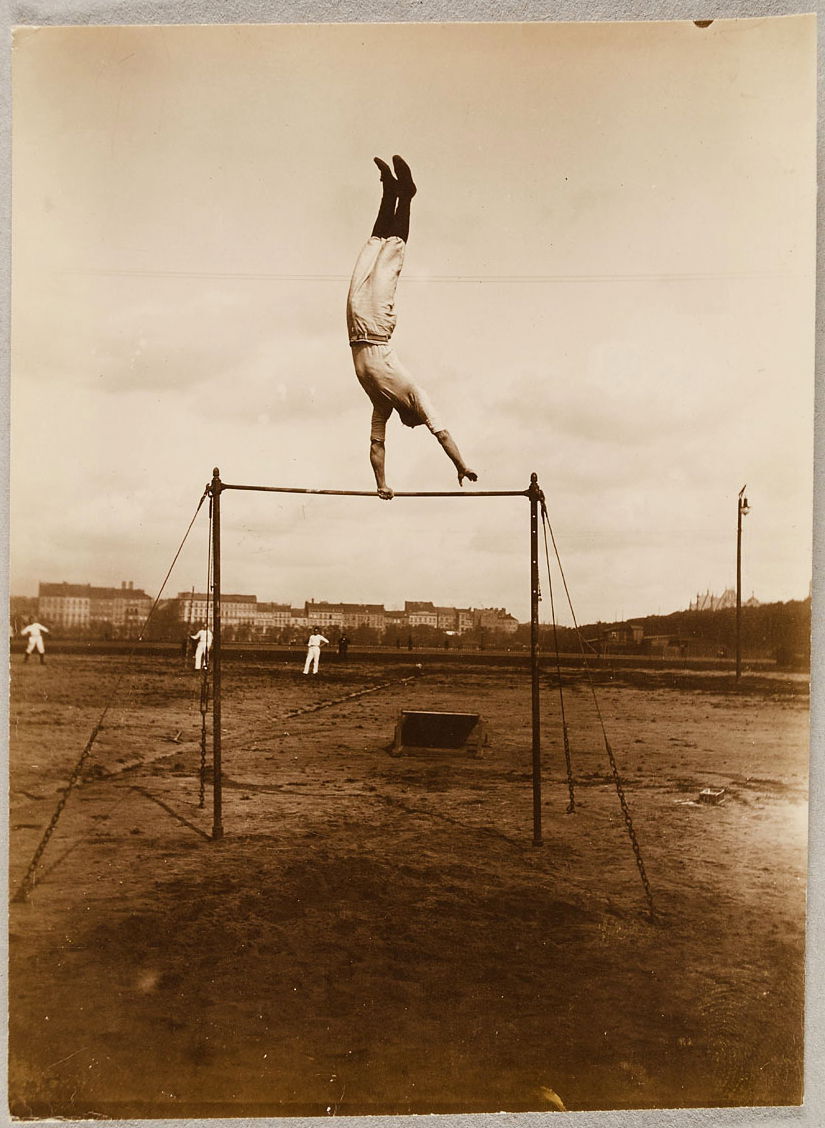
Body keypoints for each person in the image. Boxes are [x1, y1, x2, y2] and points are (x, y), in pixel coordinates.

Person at [346, 154, 478, 500]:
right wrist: (460, 465)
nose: (406, 423)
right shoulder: (417, 396)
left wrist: (381, 484)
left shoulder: (382, 404)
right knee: (389, 259)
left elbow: (377, 445)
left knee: (370, 254)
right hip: (376, 325)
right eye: (411, 422)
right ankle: (405, 195)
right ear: (414, 416)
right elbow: (442, 434)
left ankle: (389, 191)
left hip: (355, 328)